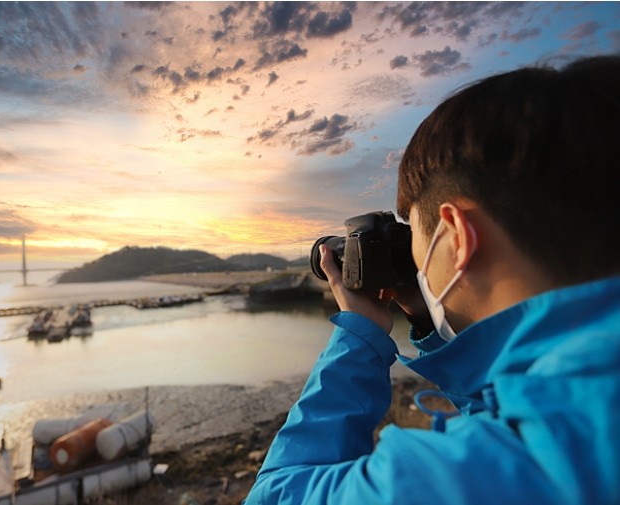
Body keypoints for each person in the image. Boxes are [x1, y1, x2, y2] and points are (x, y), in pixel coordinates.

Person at [244, 54, 620, 505]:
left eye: (418, 241)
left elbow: (275, 493)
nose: (418, 265)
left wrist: (360, 335)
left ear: (457, 236)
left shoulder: (447, 481)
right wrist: (425, 319)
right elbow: (525, 410)